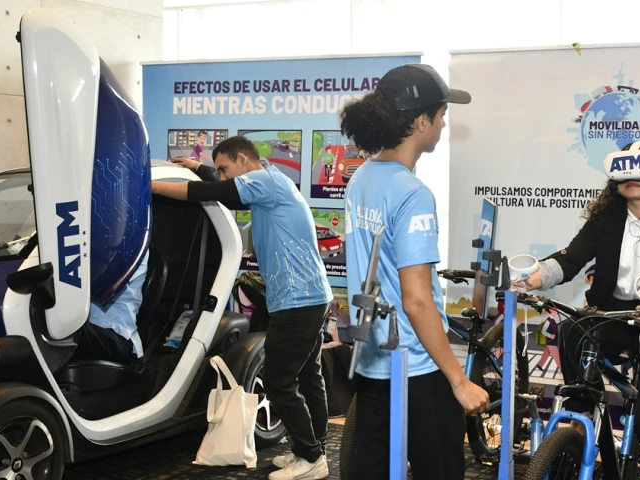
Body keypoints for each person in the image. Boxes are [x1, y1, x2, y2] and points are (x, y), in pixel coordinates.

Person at [517, 140, 640, 480]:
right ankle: (584, 422)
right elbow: (570, 259)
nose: (631, 180)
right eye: (624, 174)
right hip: (614, 316)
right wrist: (530, 280)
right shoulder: (606, 217)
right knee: (575, 330)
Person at [340, 63, 490, 480]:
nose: (444, 125)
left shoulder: (361, 178)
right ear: (421, 121)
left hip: (373, 363)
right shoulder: (413, 194)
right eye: (441, 116)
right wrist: (458, 381)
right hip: (418, 370)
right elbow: (417, 300)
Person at [154, 136, 333, 480]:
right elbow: (225, 188)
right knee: (309, 377)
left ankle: (311, 458)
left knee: (279, 381)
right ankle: (313, 449)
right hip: (310, 296)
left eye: (224, 169)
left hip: (297, 300)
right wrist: (200, 168)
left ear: (243, 160)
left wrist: (155, 187)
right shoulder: (274, 182)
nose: (221, 177)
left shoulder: (263, 181)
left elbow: (214, 194)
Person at [74, 251, 148, 364]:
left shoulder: (132, 249)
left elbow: (95, 279)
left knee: (64, 330)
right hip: (89, 328)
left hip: (116, 334)